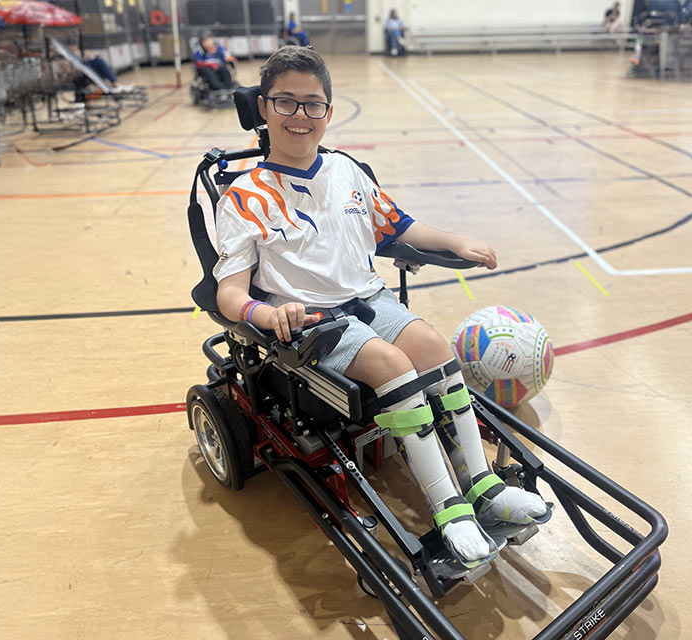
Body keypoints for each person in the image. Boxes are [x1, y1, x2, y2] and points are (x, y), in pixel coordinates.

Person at [212, 47, 548, 570]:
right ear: (261, 107)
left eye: (313, 104)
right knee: (392, 366)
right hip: (313, 323)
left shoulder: (347, 170)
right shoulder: (244, 195)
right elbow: (227, 292)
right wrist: (261, 313)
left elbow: (398, 226)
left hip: (370, 300)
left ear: (328, 111)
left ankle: (483, 485)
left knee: (435, 347)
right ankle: (449, 510)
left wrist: (455, 241)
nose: (300, 116)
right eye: (285, 103)